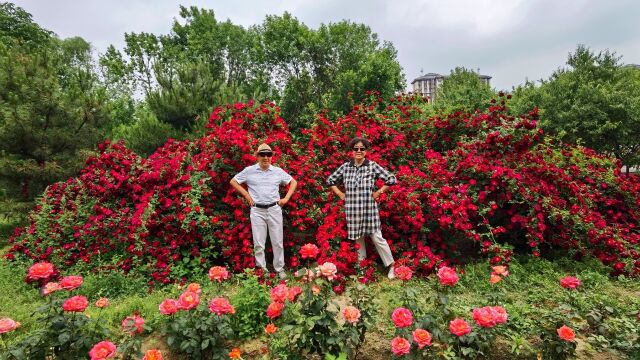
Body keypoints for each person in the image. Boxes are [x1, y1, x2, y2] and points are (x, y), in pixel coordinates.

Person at [326, 137, 397, 279]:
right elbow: (330, 180)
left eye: (362, 149)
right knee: (358, 240)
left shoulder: (372, 166)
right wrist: (340, 193)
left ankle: (391, 266)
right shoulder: (345, 167)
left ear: (366, 151)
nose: (359, 151)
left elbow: (391, 178)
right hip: (353, 211)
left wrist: (379, 192)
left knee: (377, 238)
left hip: (369, 211)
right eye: (356, 149)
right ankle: (362, 269)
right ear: (352, 151)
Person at [230, 143, 298, 279]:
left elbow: (293, 182)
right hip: (257, 211)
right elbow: (233, 181)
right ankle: (262, 270)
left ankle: (279, 269)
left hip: (274, 209)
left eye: (268, 154)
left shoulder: (277, 171)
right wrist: (247, 196)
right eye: (262, 154)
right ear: (257, 156)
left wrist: (286, 198)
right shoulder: (249, 171)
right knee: (259, 243)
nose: (265, 157)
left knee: (277, 241)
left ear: (272, 156)